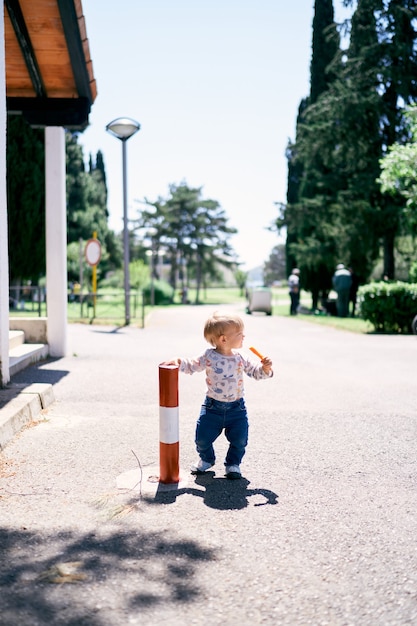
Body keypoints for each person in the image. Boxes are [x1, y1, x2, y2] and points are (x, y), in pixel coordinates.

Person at [161, 311, 273, 480]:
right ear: (223, 339)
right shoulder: (209, 356)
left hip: (237, 408)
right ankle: (207, 459)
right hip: (212, 407)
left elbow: (256, 373)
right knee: (202, 439)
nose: (244, 336)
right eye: (239, 334)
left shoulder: (241, 358)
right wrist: (179, 361)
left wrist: (265, 369)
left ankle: (233, 464)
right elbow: (192, 365)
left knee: (240, 440)